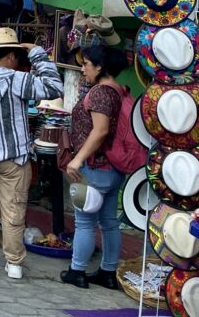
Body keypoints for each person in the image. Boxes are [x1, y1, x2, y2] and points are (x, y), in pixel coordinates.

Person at [0, 27, 63, 279]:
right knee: (13, 210)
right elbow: (54, 87)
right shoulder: (17, 79)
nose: (19, 61)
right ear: (10, 56)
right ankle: (15, 264)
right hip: (14, 156)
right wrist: (38, 54)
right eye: (17, 56)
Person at [61, 45, 129, 290]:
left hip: (93, 167)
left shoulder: (100, 93)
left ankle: (76, 270)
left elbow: (100, 130)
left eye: (86, 64)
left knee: (85, 222)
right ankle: (108, 272)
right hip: (113, 169)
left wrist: (77, 159)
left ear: (100, 67)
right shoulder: (118, 91)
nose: (82, 69)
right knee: (109, 221)